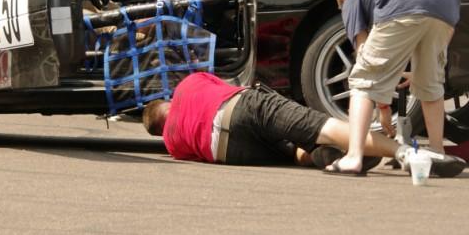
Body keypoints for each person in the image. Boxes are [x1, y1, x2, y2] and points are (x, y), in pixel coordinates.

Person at [329, 0, 467, 177]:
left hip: (403, 3)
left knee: (362, 81)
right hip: (446, 5)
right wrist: (422, 69)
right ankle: (437, 151)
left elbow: (368, 60)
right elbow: (437, 38)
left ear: (343, 0)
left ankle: (353, 157)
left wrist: (383, 109)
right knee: (430, 84)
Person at [142, 71, 402, 172]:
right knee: (319, 127)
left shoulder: (173, 144)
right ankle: (402, 152)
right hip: (239, 108)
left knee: (290, 151)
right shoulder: (187, 85)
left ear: (159, 132)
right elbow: (231, 86)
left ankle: (322, 156)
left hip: (228, 150)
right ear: (166, 102)